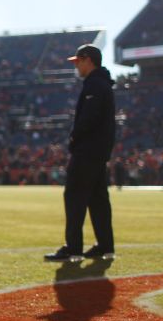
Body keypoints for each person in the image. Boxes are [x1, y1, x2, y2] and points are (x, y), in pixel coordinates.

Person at [45, 44, 116, 263]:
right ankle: (105, 246)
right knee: (98, 200)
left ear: (88, 60)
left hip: (87, 151)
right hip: (99, 151)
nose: (76, 66)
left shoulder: (94, 84)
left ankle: (73, 248)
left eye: (78, 61)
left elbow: (89, 118)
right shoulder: (103, 83)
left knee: (74, 196)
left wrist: (74, 136)